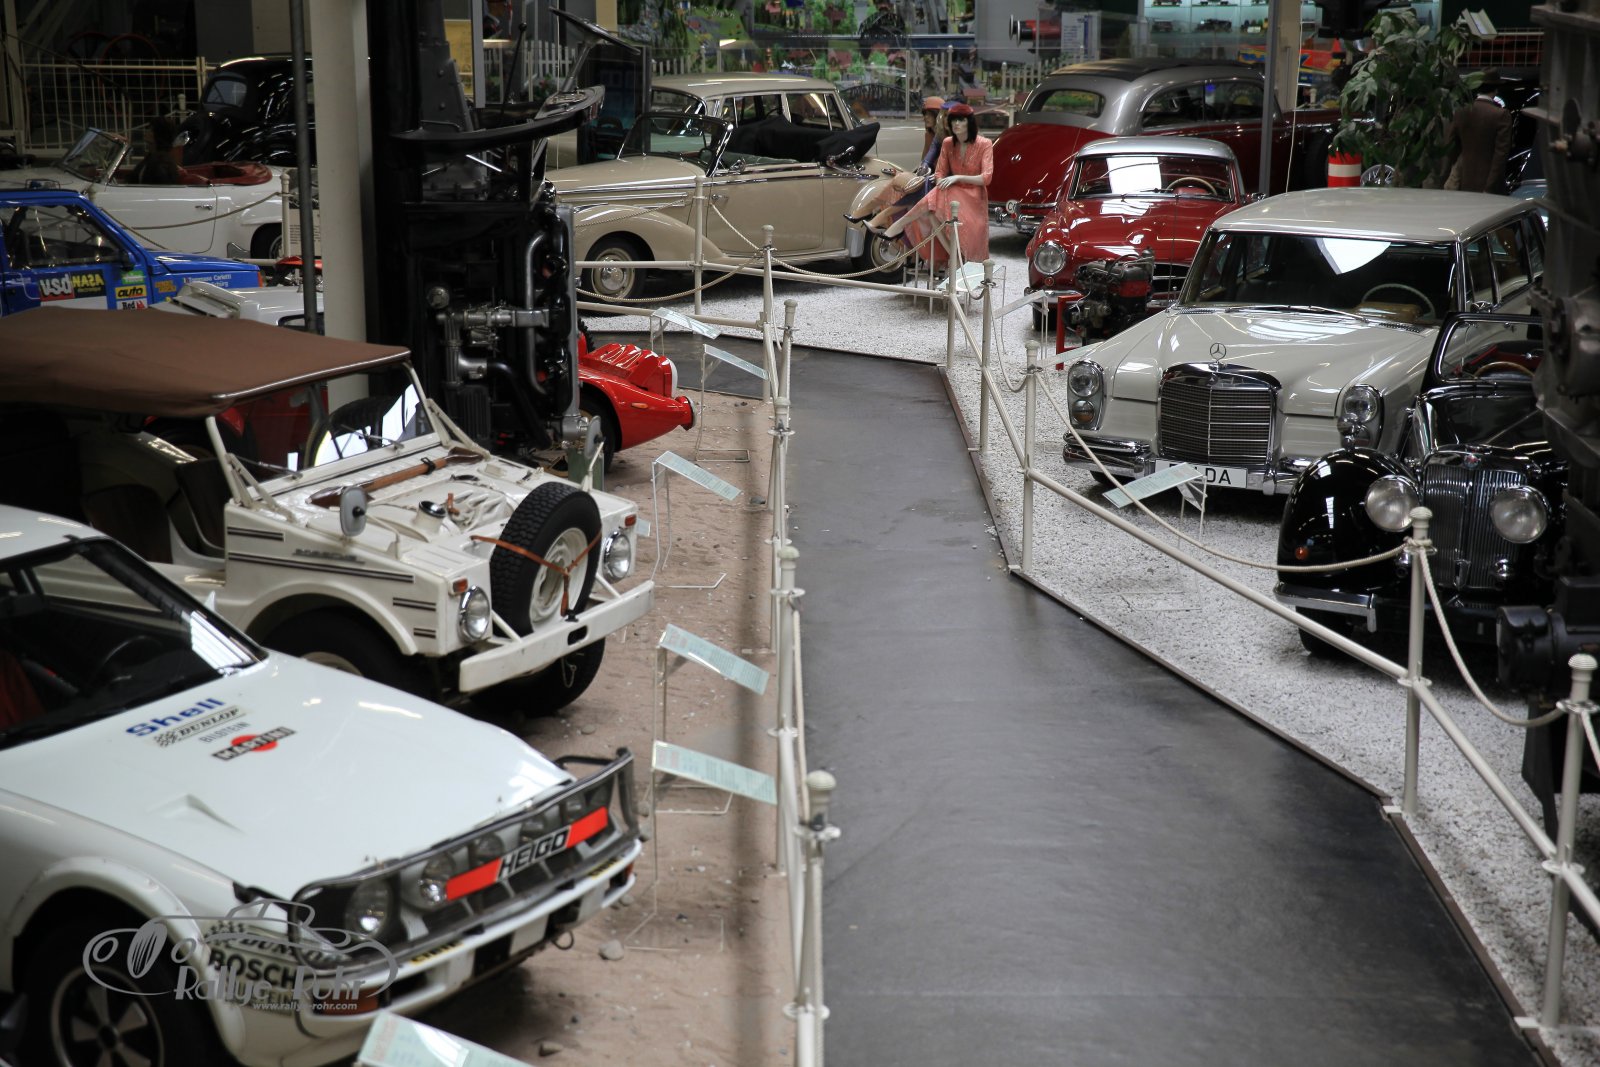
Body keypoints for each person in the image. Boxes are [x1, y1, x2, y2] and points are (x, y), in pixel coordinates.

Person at [882, 101, 994, 266]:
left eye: (961, 120)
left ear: (969, 122)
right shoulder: (948, 143)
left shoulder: (984, 144)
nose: (956, 124)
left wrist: (957, 178)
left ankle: (899, 225)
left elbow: (986, 177)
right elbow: (940, 172)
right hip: (953, 192)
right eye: (953, 120)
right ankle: (956, 258)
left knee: (937, 197)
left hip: (974, 196)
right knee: (931, 213)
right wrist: (942, 182)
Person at [1435, 81, 1514, 194]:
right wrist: (1490, 186)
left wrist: (1455, 165)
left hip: (1464, 178)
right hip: (1489, 184)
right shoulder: (1501, 115)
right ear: (1496, 90)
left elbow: (1450, 144)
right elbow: (1501, 154)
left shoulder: (1461, 111)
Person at [129, 116, 182, 184]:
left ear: (158, 135)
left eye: (151, 130)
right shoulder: (152, 158)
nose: (146, 133)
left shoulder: (162, 165)